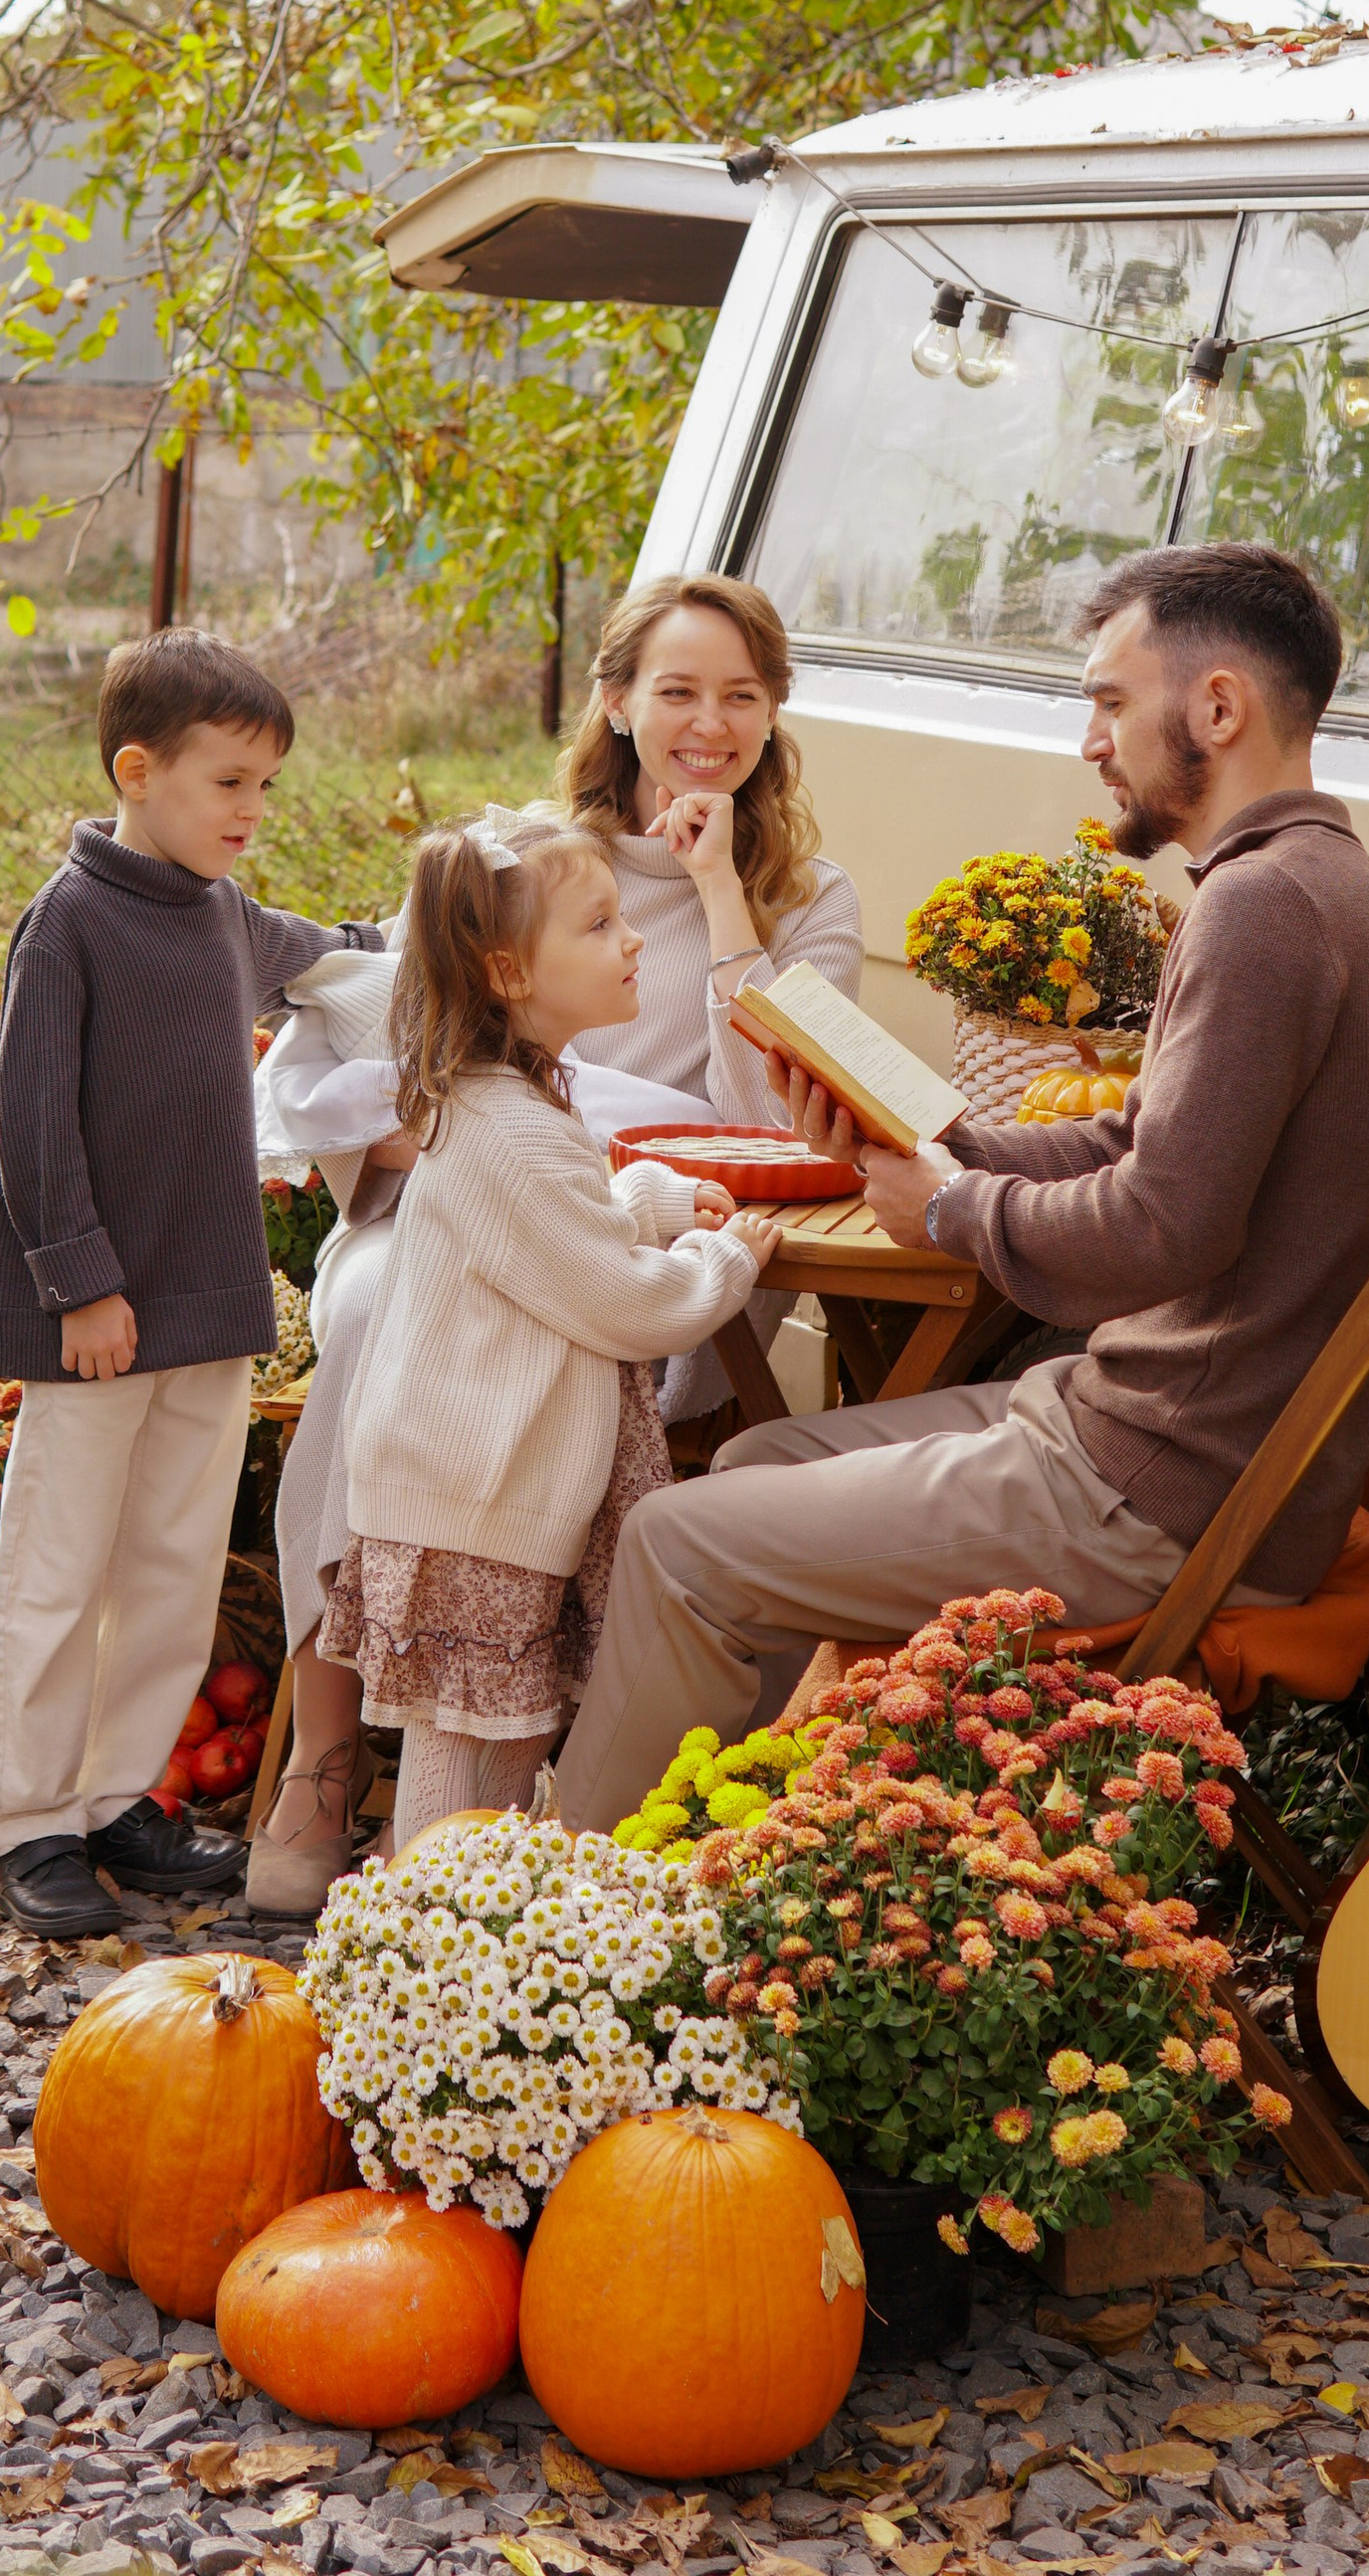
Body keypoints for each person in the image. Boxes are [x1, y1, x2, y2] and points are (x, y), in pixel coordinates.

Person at [554, 540, 1369, 1832]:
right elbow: (1140, 1141)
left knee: (675, 1543)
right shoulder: (1324, 884)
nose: (1091, 741)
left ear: (1217, 709)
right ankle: (732, 1864)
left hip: (1150, 1489)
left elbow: (1161, 1222)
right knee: (760, 1451)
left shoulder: (1266, 911)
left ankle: (576, 1924)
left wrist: (952, 1211)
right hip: (1181, 1450)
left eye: (1108, 703)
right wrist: (937, 1142)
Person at [244, 567, 862, 1908]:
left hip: (636, 1225)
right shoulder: (519, 856)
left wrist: (716, 898)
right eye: (679, 689)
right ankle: (331, 1743)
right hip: (462, 1211)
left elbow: (778, 1129)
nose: (710, 722)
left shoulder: (807, 897)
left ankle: (492, 1774)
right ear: (620, 701)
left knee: (507, 1345)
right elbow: (408, 1052)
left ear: (774, 717)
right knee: (365, 1316)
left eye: (742, 696)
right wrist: (445, 1144)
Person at [0, 628, 380, 1938]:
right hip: (98, 1321)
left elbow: (328, 949)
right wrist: (80, 1283)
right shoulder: (70, 928)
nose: (253, 811)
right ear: (137, 771)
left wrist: (438, 921)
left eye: (267, 785)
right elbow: (31, 1130)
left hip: (209, 1309)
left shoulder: (222, 913)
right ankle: (31, 1818)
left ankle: (115, 1797)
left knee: (167, 1564)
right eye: (230, 784)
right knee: (59, 1566)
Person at [320, 817, 780, 1844]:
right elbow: (627, 1302)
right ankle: (418, 1944)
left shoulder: (507, 1107)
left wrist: (654, 1196)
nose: (632, 943)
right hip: (472, 1494)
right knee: (463, 1740)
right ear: (508, 972)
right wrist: (728, 1257)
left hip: (491, 1486)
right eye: (600, 924)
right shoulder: (511, 1131)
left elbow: (560, 1237)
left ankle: (483, 1925)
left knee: (509, 1731)